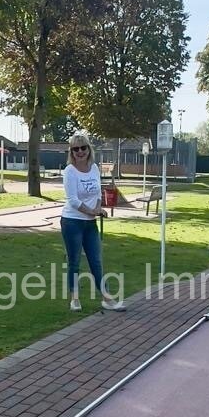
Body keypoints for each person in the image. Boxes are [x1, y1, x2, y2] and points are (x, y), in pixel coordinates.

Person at [61, 133, 126, 313]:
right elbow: (73, 200)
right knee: (74, 261)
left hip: (90, 223)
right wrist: (92, 212)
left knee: (96, 261)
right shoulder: (69, 171)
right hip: (72, 222)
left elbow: (98, 193)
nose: (80, 152)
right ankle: (74, 299)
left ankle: (107, 298)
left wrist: (97, 208)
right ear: (71, 152)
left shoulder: (94, 168)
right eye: (76, 149)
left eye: (83, 148)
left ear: (89, 149)